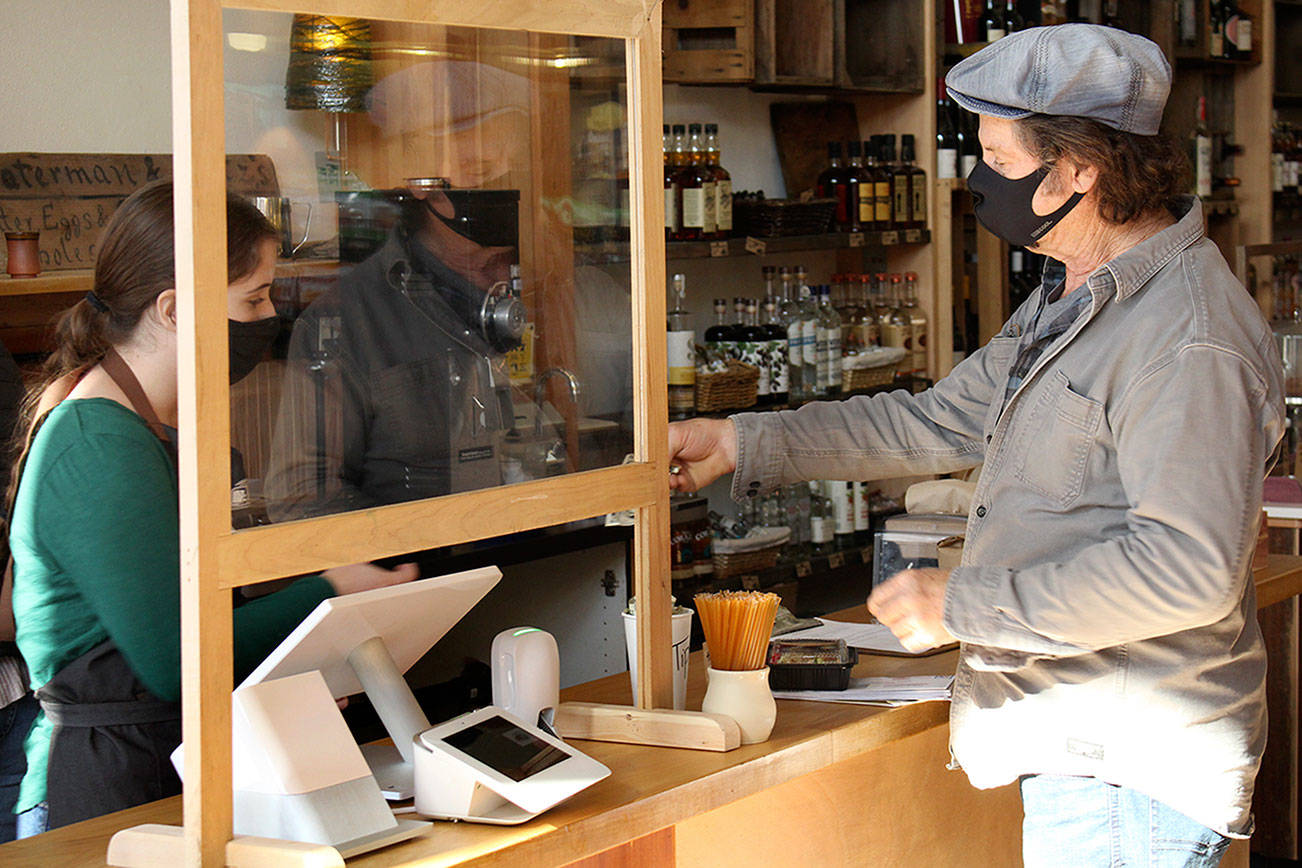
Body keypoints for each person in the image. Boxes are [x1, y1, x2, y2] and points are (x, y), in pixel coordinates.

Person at [668, 24, 1283, 868]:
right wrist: (742, 439)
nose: (979, 179)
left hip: (1126, 781)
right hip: (1088, 763)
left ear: (1077, 170)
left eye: (997, 156)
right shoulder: (1074, 295)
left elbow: (1187, 569)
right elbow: (936, 421)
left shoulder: (1186, 339)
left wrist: (963, 604)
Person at [6, 181, 416, 837]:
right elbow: (172, 660)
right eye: (252, 298)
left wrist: (291, 664)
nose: (265, 318)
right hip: (101, 785)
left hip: (161, 762)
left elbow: (191, 625)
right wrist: (329, 592)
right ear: (172, 309)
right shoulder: (97, 441)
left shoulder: (146, 424)